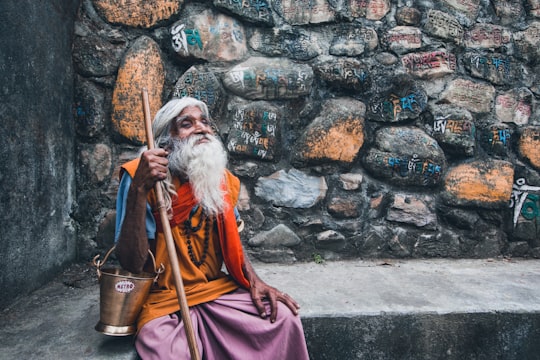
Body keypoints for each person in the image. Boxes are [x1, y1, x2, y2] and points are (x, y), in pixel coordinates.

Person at [114, 96, 310, 360]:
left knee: (282, 318)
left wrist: (255, 280)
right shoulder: (140, 176)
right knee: (168, 353)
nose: (202, 128)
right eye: (187, 124)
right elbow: (132, 264)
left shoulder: (218, 178)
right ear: (165, 143)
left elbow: (233, 241)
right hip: (162, 299)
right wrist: (139, 188)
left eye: (204, 122)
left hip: (215, 289)